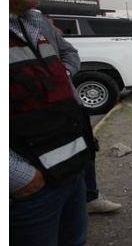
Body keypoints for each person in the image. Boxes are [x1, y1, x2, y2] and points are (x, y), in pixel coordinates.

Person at [9, 0, 92, 246]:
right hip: (31, 188)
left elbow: (69, 57)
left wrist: (57, 79)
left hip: (70, 171)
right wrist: (18, 176)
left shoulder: (34, 23)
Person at [47, 17, 122, 214]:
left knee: (84, 150)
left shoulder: (37, 22)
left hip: (69, 106)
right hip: (31, 117)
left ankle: (90, 197)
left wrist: (61, 74)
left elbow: (70, 52)